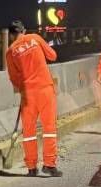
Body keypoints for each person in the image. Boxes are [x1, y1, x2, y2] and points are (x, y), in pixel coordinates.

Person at [5, 20, 62, 176]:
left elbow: (14, 78)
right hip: (45, 89)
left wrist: (23, 88)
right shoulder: (35, 38)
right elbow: (53, 56)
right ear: (23, 30)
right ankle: (49, 165)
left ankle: (31, 167)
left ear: (11, 35)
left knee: (29, 131)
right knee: (49, 128)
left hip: (28, 94)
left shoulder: (10, 52)